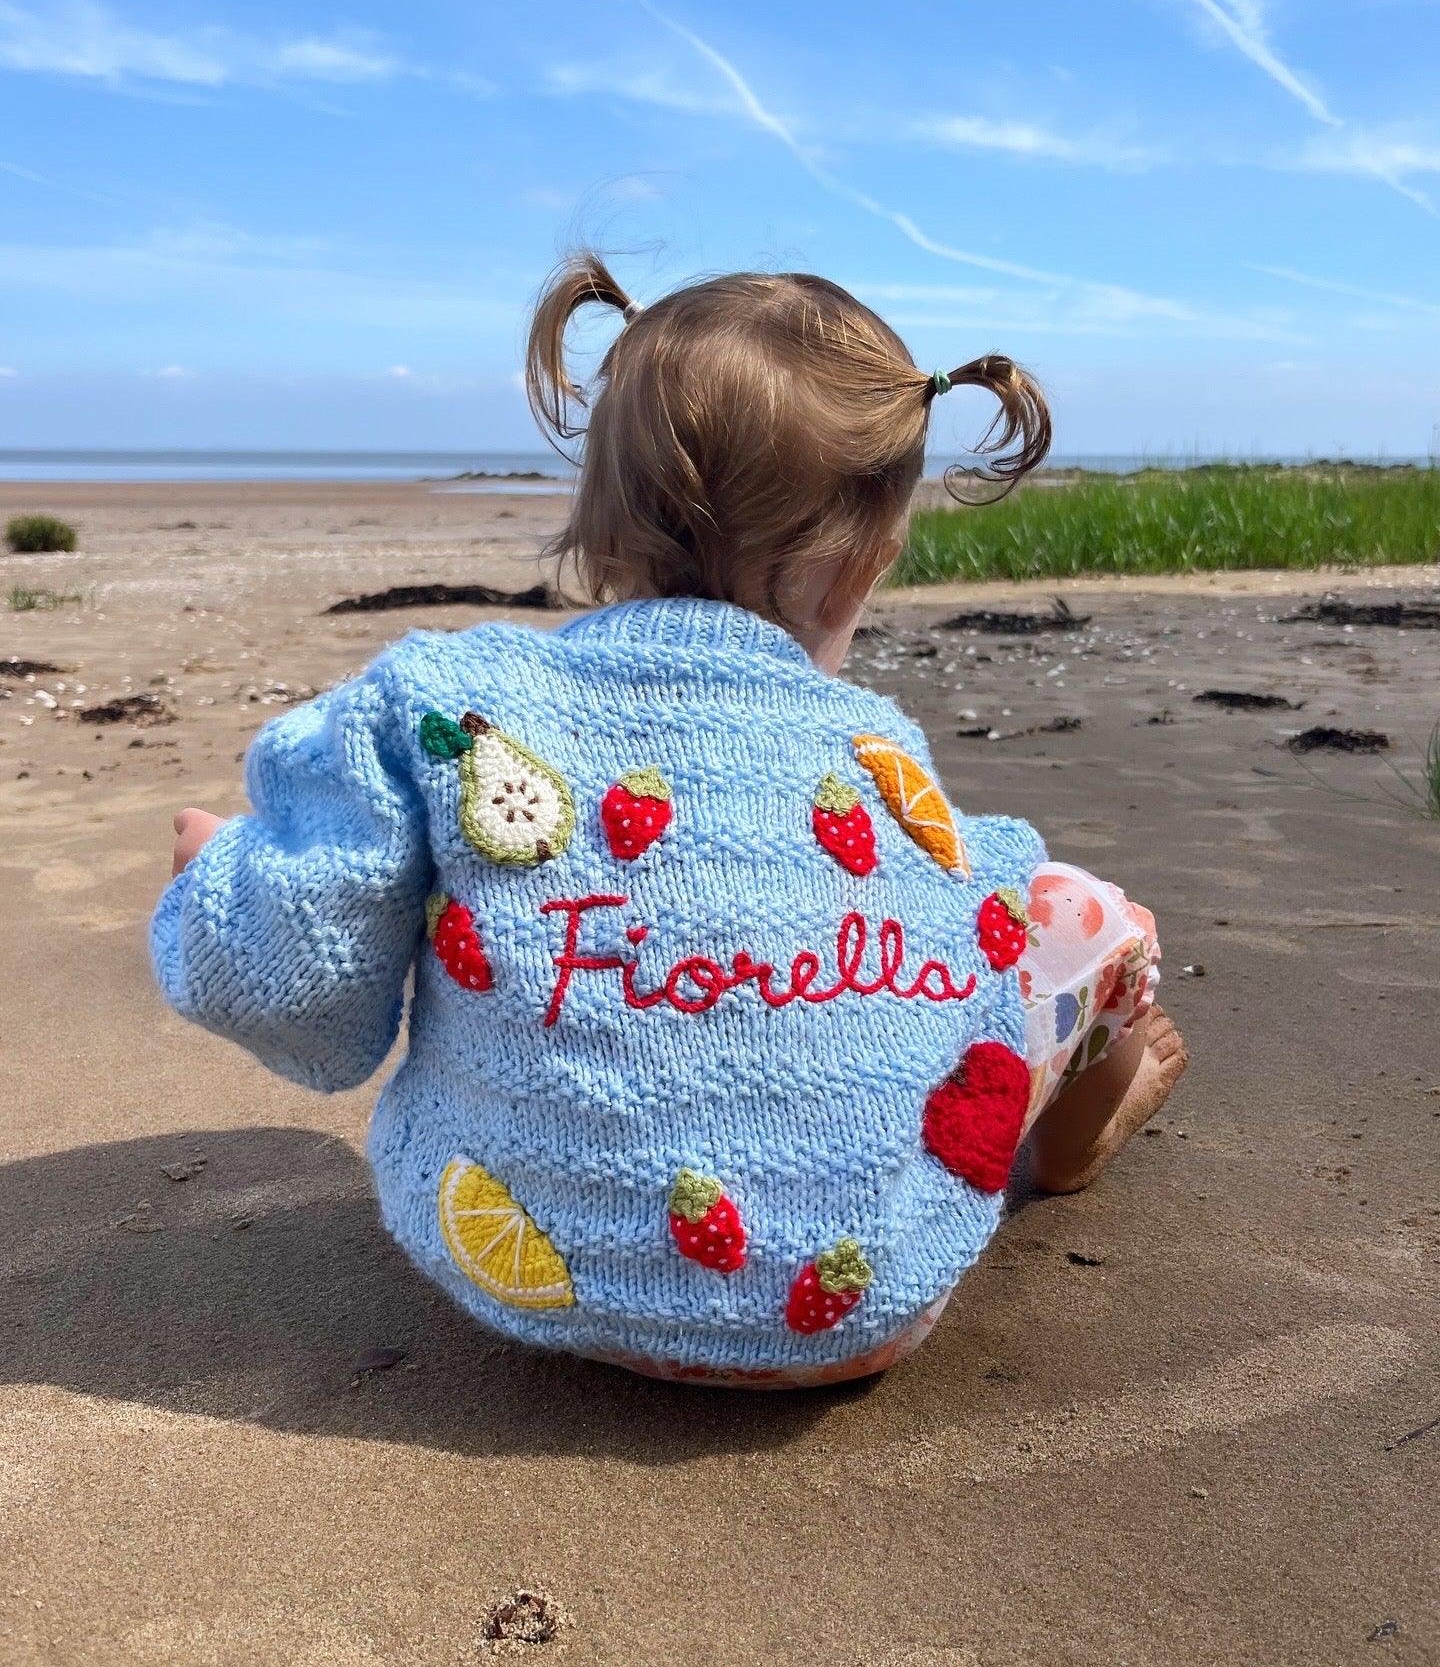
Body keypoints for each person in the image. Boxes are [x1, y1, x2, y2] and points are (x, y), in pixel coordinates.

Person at [155, 257, 1187, 1389]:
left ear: (595, 533)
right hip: (859, 1310)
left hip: (523, 1268)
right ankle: (1083, 1124)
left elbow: (291, 963)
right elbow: (960, 927)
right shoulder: (873, 747)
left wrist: (225, 877)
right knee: (1086, 913)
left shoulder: (448, 704)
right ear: (869, 560)